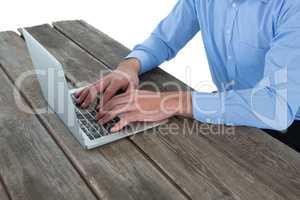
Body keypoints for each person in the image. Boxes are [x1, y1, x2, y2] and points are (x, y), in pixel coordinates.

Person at [75, 0, 300, 151]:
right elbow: (165, 40)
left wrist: (171, 101)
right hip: (230, 105)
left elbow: (276, 106)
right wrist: (130, 66)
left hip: (289, 124)